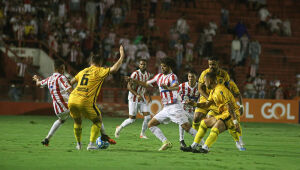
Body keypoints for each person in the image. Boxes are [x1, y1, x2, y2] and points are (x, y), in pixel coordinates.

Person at [125, 57, 198, 151]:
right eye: (161, 66)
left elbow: (176, 87)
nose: (162, 68)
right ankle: (166, 142)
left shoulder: (172, 76)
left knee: (186, 127)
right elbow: (146, 84)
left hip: (175, 106)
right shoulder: (159, 76)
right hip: (166, 108)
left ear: (169, 67)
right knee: (151, 124)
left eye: (164, 66)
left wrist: (168, 87)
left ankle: (203, 145)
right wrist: (133, 80)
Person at [68, 45, 125, 150]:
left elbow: (70, 83)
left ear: (91, 62)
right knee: (98, 121)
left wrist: (73, 94)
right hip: (85, 101)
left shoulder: (83, 71)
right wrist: (121, 56)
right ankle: (91, 145)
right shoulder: (99, 71)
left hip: (72, 100)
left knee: (77, 121)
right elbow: (114, 69)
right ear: (100, 63)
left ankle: (79, 145)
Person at [182, 72, 241, 153]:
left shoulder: (221, 90)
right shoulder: (213, 91)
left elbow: (230, 106)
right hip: (224, 114)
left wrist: (235, 122)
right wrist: (194, 104)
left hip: (231, 115)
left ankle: (205, 148)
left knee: (215, 128)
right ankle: (193, 146)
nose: (204, 83)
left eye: (205, 81)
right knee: (203, 123)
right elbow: (207, 104)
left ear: (210, 81)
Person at [32, 60, 73, 146]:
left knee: (61, 120)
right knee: (88, 112)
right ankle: (82, 144)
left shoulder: (49, 79)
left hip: (58, 110)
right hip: (67, 106)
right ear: (61, 68)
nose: (64, 71)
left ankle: (47, 138)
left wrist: (36, 79)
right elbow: (70, 90)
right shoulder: (61, 78)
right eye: (63, 69)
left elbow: (39, 84)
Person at [115, 59, 152, 139]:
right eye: (141, 64)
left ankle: (142, 134)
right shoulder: (135, 74)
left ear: (146, 66)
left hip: (142, 98)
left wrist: (148, 96)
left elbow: (145, 87)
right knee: (132, 119)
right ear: (139, 65)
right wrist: (136, 94)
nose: (142, 66)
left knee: (148, 117)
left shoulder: (148, 75)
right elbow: (128, 86)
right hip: (133, 98)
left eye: (144, 64)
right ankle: (119, 127)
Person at [192, 57, 230, 132]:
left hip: (217, 101)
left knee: (211, 120)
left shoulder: (224, 74)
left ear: (217, 64)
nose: (211, 66)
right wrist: (209, 98)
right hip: (205, 98)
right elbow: (200, 89)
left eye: (213, 64)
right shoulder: (204, 73)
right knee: (196, 118)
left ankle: (200, 136)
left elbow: (227, 88)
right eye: (210, 64)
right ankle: (194, 135)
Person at [177, 70, 202, 147]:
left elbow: (202, 98)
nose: (190, 78)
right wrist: (182, 101)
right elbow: (176, 95)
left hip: (194, 111)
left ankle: (197, 142)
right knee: (182, 123)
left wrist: (196, 104)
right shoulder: (182, 86)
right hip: (184, 109)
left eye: (192, 77)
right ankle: (181, 140)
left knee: (196, 127)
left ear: (196, 77)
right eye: (189, 77)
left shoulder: (199, 87)